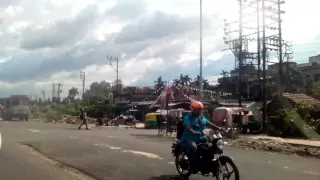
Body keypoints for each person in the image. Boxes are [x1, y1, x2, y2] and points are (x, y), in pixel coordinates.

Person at [179, 101, 222, 171]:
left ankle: (206, 162)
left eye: (200, 109)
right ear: (192, 109)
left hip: (200, 138)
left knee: (210, 146)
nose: (199, 111)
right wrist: (194, 132)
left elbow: (210, 124)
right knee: (193, 147)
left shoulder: (201, 118)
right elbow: (187, 127)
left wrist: (219, 128)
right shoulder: (188, 117)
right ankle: (193, 164)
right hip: (188, 139)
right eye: (197, 109)